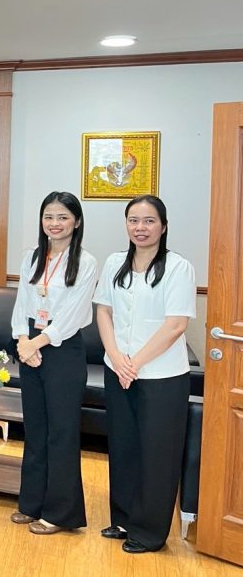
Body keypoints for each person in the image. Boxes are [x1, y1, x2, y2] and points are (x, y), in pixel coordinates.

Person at [93, 195, 195, 554]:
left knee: (157, 454)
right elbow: (103, 311)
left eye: (149, 221)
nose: (141, 228)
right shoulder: (114, 262)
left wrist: (133, 363)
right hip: (117, 370)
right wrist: (115, 356)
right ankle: (124, 519)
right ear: (126, 224)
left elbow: (176, 325)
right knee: (123, 448)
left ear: (163, 226)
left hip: (161, 377)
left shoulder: (178, 267)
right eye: (134, 220)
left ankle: (150, 532)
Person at [9, 191, 97, 534]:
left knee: (61, 432)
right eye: (49, 216)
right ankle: (31, 503)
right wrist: (22, 340)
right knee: (35, 429)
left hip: (62, 349)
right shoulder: (32, 256)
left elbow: (73, 315)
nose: (55, 223)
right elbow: (22, 302)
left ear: (77, 221)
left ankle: (60, 513)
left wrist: (35, 343)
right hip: (30, 344)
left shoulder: (86, 262)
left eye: (62, 217)